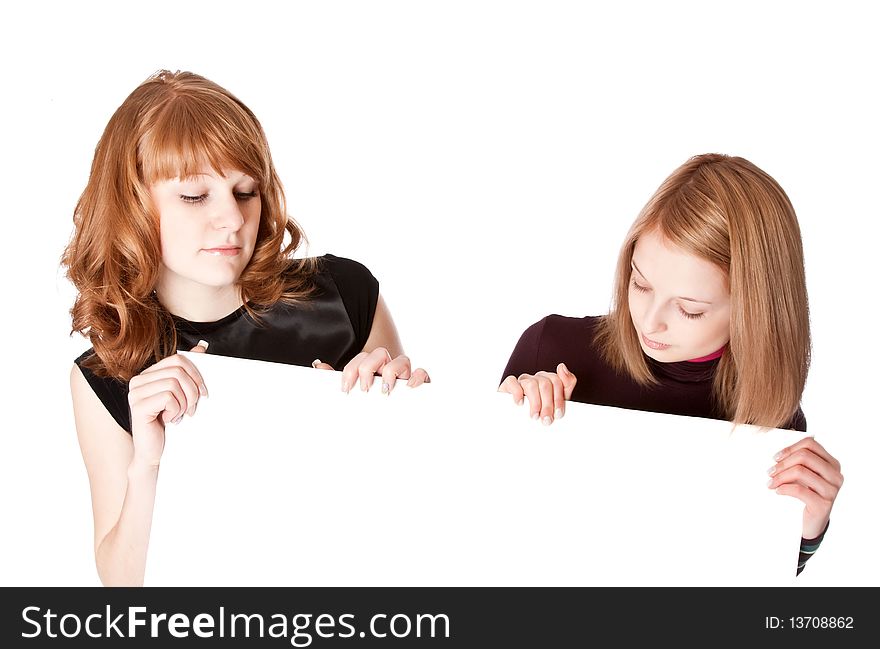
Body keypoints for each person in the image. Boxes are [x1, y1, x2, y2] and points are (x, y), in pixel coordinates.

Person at [62, 70, 429, 586]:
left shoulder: (345, 296)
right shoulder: (105, 374)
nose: (232, 219)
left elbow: (412, 508)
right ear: (131, 206)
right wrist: (148, 464)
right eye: (194, 196)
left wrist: (401, 403)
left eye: (245, 191)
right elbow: (124, 587)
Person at [499, 153, 842, 575]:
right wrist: (505, 420)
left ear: (755, 310)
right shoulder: (550, 347)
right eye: (640, 284)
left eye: (689, 309)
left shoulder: (773, 424)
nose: (650, 319)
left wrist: (807, 532)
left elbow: (736, 579)